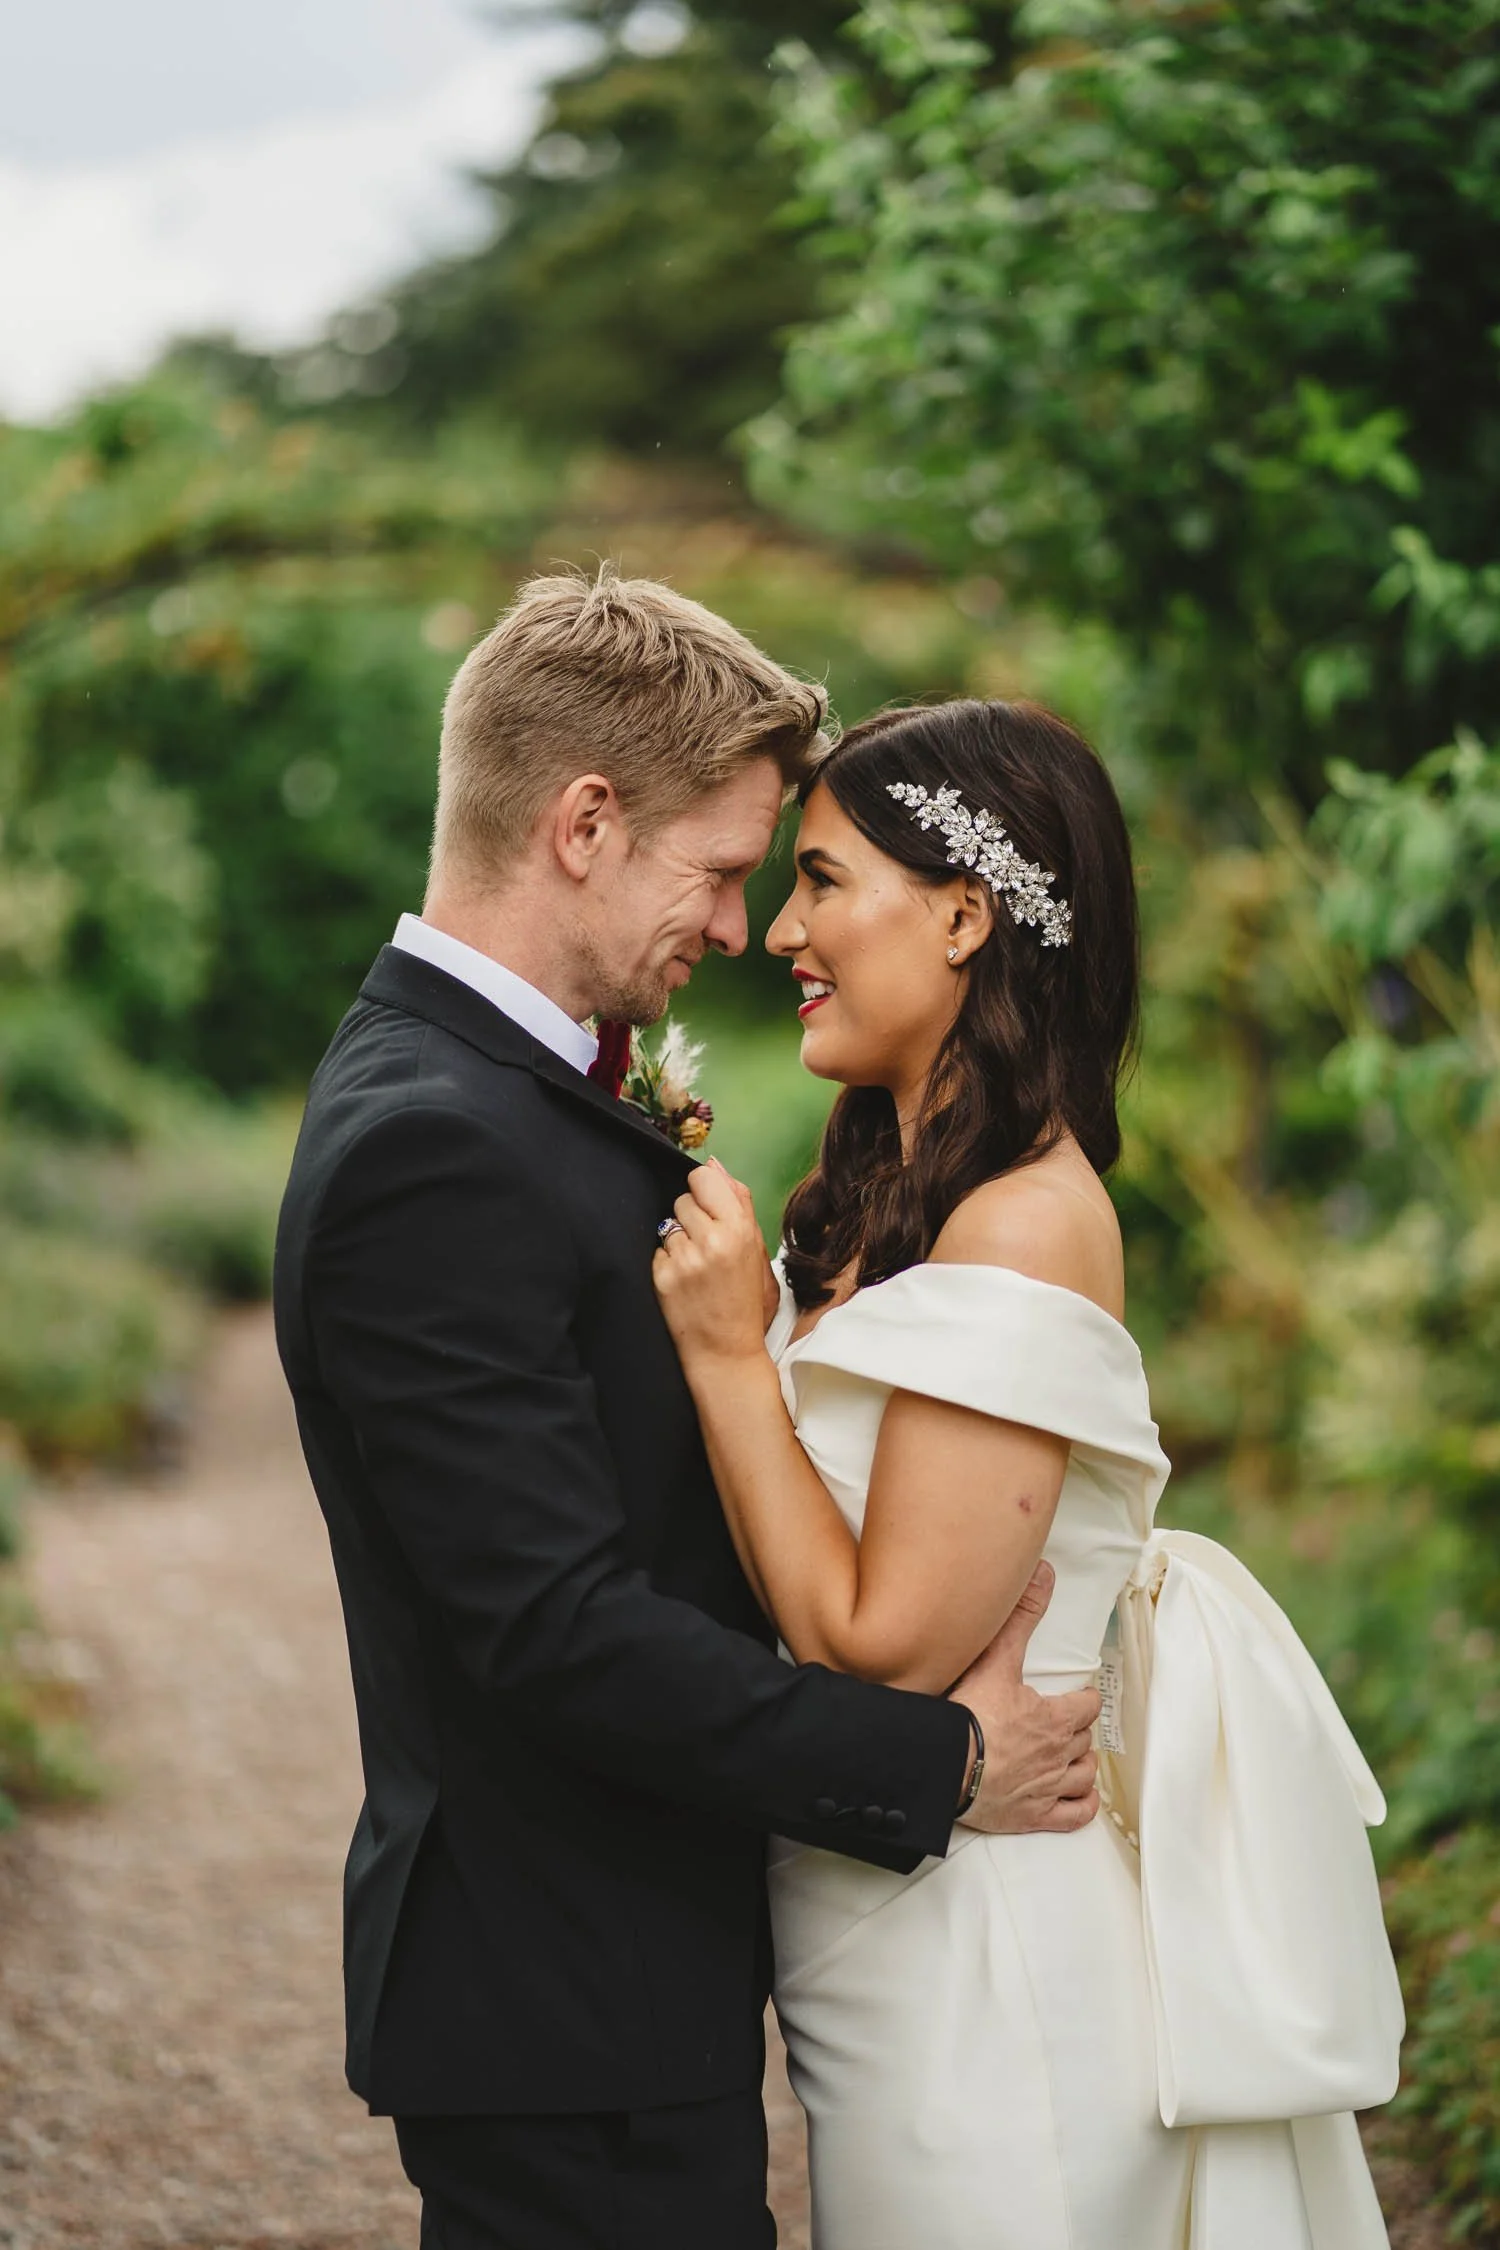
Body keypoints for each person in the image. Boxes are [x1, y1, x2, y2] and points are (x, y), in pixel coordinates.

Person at [273, 575, 1103, 2250]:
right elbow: (555, 1627)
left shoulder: (500, 1094)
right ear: (585, 822)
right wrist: (938, 1764)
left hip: (623, 1977)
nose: (740, 931)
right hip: (559, 1994)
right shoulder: (432, 1145)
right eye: (723, 871)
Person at [652, 698, 1405, 2250]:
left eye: (822, 879)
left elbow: (884, 1646)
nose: (782, 928)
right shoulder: (880, 1191)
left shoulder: (1028, 1219)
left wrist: (732, 1358)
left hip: (992, 1949)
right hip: (893, 1921)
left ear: (963, 914)